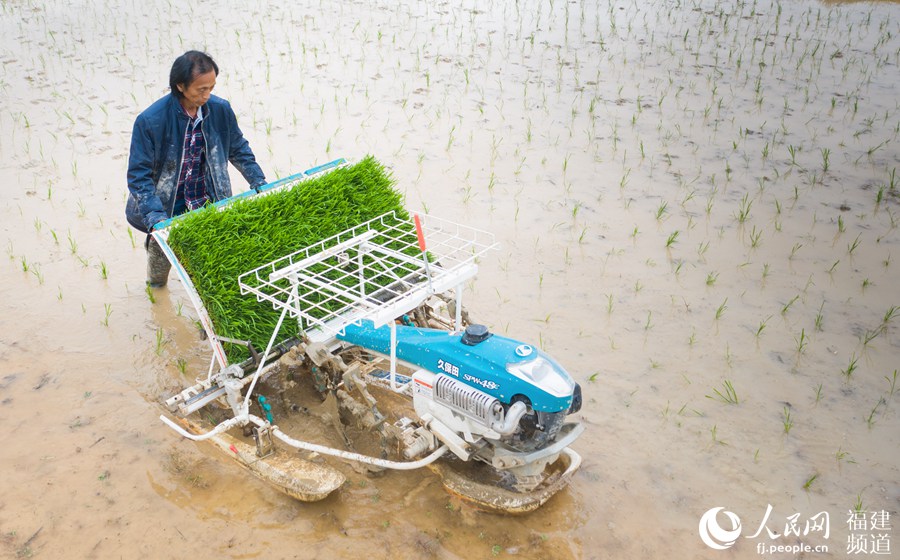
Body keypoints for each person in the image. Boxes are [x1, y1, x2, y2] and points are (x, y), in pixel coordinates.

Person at [125, 50, 266, 287]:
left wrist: (259, 181)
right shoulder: (150, 121)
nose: (207, 95)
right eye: (201, 89)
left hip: (206, 198)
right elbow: (139, 176)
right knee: (160, 266)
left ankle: (208, 313)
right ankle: (157, 297)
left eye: (211, 87)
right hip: (166, 205)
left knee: (211, 263)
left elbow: (238, 148)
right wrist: (156, 218)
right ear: (180, 86)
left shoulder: (220, 110)